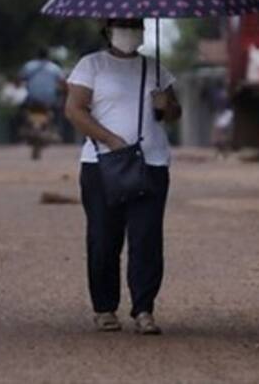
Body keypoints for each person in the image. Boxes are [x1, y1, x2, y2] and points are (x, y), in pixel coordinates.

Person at [63, 18, 181, 335]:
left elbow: (174, 113)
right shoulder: (91, 66)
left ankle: (144, 309)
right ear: (107, 29)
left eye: (136, 25)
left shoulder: (156, 69)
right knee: (104, 237)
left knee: (146, 239)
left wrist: (164, 104)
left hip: (151, 163)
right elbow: (74, 110)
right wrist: (111, 140)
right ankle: (104, 308)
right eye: (123, 24)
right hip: (103, 164)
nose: (131, 31)